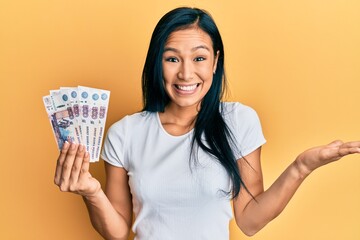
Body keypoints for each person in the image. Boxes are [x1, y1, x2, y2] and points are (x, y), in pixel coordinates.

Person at [54, 7, 360, 240]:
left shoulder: (239, 121)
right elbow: (119, 232)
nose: (186, 74)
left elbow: (249, 220)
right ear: (156, 62)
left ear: (215, 61)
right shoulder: (125, 133)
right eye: (172, 59)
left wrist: (301, 167)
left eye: (199, 58)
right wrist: (91, 192)